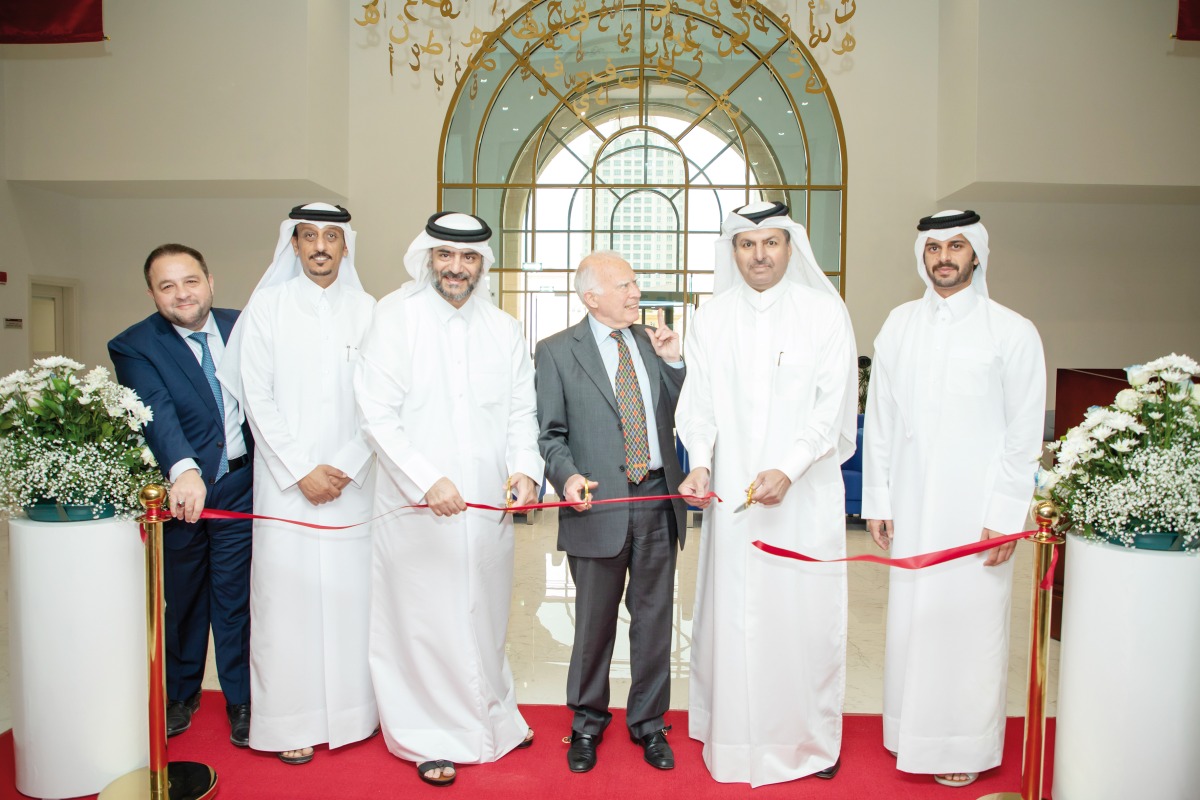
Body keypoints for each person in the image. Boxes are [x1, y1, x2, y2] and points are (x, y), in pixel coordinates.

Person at [354, 212, 543, 788]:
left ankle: (492, 718)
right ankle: (427, 735)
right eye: (445, 257)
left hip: (485, 506)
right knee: (425, 619)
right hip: (417, 506)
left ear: (482, 263)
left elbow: (520, 413)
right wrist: (423, 478)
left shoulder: (503, 327)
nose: (455, 268)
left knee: (482, 615)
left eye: (467, 258)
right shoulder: (394, 316)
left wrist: (525, 471)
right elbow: (375, 413)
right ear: (427, 259)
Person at [861, 210, 1046, 789]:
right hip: (912, 509)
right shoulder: (898, 324)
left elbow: (1023, 436)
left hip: (976, 517)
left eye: (957, 246)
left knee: (971, 628)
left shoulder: (1012, 331)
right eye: (935, 247)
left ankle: (963, 743)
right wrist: (878, 498)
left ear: (977, 254)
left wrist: (1003, 517)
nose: (944, 257)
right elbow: (883, 420)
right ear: (922, 255)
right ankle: (909, 733)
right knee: (914, 622)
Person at [676, 201, 858, 787]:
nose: (758, 255)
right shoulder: (713, 315)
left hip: (803, 497)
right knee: (734, 616)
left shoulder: (824, 313)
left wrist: (789, 466)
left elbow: (833, 408)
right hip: (732, 497)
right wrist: (700, 463)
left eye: (771, 242)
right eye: (746, 244)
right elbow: (698, 403)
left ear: (790, 246)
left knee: (800, 618)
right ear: (733, 251)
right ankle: (731, 737)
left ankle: (806, 741)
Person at [218, 203, 378, 766]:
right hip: (285, 484)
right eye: (308, 236)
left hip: (353, 483)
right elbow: (255, 399)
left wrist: (348, 463)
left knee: (349, 599)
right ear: (292, 244)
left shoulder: (369, 310)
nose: (319, 246)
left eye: (331, 237)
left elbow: (380, 402)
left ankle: (355, 715)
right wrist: (300, 469)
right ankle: (288, 720)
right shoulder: (267, 307)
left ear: (345, 246)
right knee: (285, 604)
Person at [534, 251, 687, 775]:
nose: (636, 293)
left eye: (636, 283)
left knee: (654, 622)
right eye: (624, 285)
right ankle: (586, 723)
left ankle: (648, 725)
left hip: (655, 499)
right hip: (595, 506)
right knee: (594, 625)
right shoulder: (555, 351)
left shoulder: (649, 342)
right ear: (591, 295)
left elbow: (674, 413)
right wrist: (567, 476)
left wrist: (672, 362)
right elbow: (550, 434)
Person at [108, 244, 253, 747]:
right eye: (166, 286)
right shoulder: (133, 345)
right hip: (182, 494)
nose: (181, 294)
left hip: (241, 485)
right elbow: (158, 411)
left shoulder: (246, 326)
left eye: (189, 281)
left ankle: (241, 700)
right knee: (185, 599)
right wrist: (184, 470)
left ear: (209, 281)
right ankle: (182, 694)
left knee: (235, 599)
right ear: (152, 294)